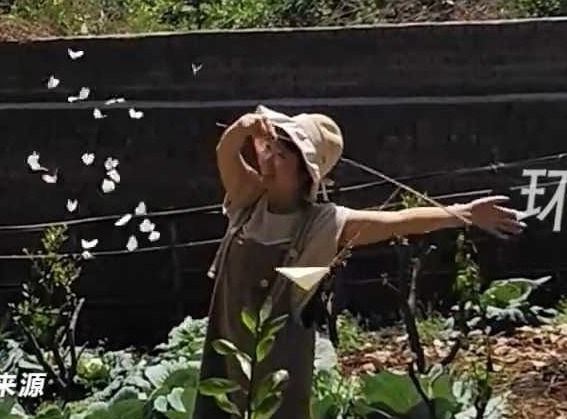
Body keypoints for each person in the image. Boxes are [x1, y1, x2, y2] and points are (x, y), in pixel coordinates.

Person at [192, 106, 525, 419]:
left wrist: (465, 214)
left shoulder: (325, 223)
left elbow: (401, 220)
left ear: (305, 174)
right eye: (268, 150)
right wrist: (243, 128)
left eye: (281, 155)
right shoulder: (248, 199)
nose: (268, 161)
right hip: (229, 338)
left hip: (280, 353)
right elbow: (226, 152)